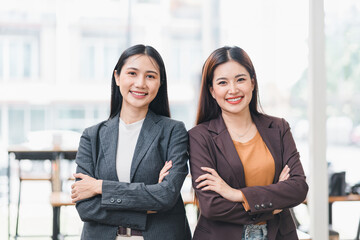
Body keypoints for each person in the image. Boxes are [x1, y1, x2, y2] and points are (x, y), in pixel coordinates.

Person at [71, 44, 191, 240]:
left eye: (150, 76)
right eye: (132, 73)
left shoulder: (173, 131)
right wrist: (147, 206)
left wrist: (100, 187)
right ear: (117, 77)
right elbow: (85, 207)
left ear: (160, 82)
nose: (141, 83)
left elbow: (166, 195)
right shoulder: (92, 136)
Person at [188, 46, 308, 240]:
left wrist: (237, 195)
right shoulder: (200, 137)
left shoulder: (278, 128)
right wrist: (273, 205)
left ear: (252, 82)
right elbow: (212, 206)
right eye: (222, 82)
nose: (233, 89)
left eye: (240, 79)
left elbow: (298, 189)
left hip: (278, 235)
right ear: (212, 90)